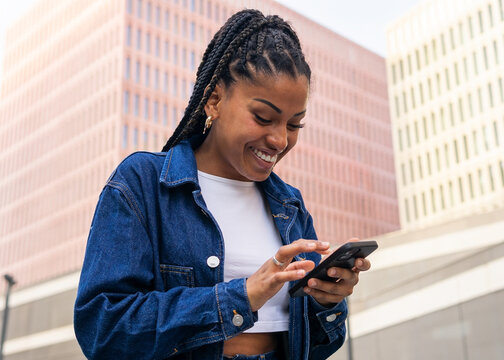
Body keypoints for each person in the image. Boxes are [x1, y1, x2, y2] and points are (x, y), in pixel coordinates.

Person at [74, 9, 371, 360]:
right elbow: (103, 328)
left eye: (294, 125)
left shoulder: (290, 206)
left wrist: (326, 301)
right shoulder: (143, 184)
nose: (279, 139)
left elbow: (315, 347)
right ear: (214, 100)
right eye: (263, 117)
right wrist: (242, 296)